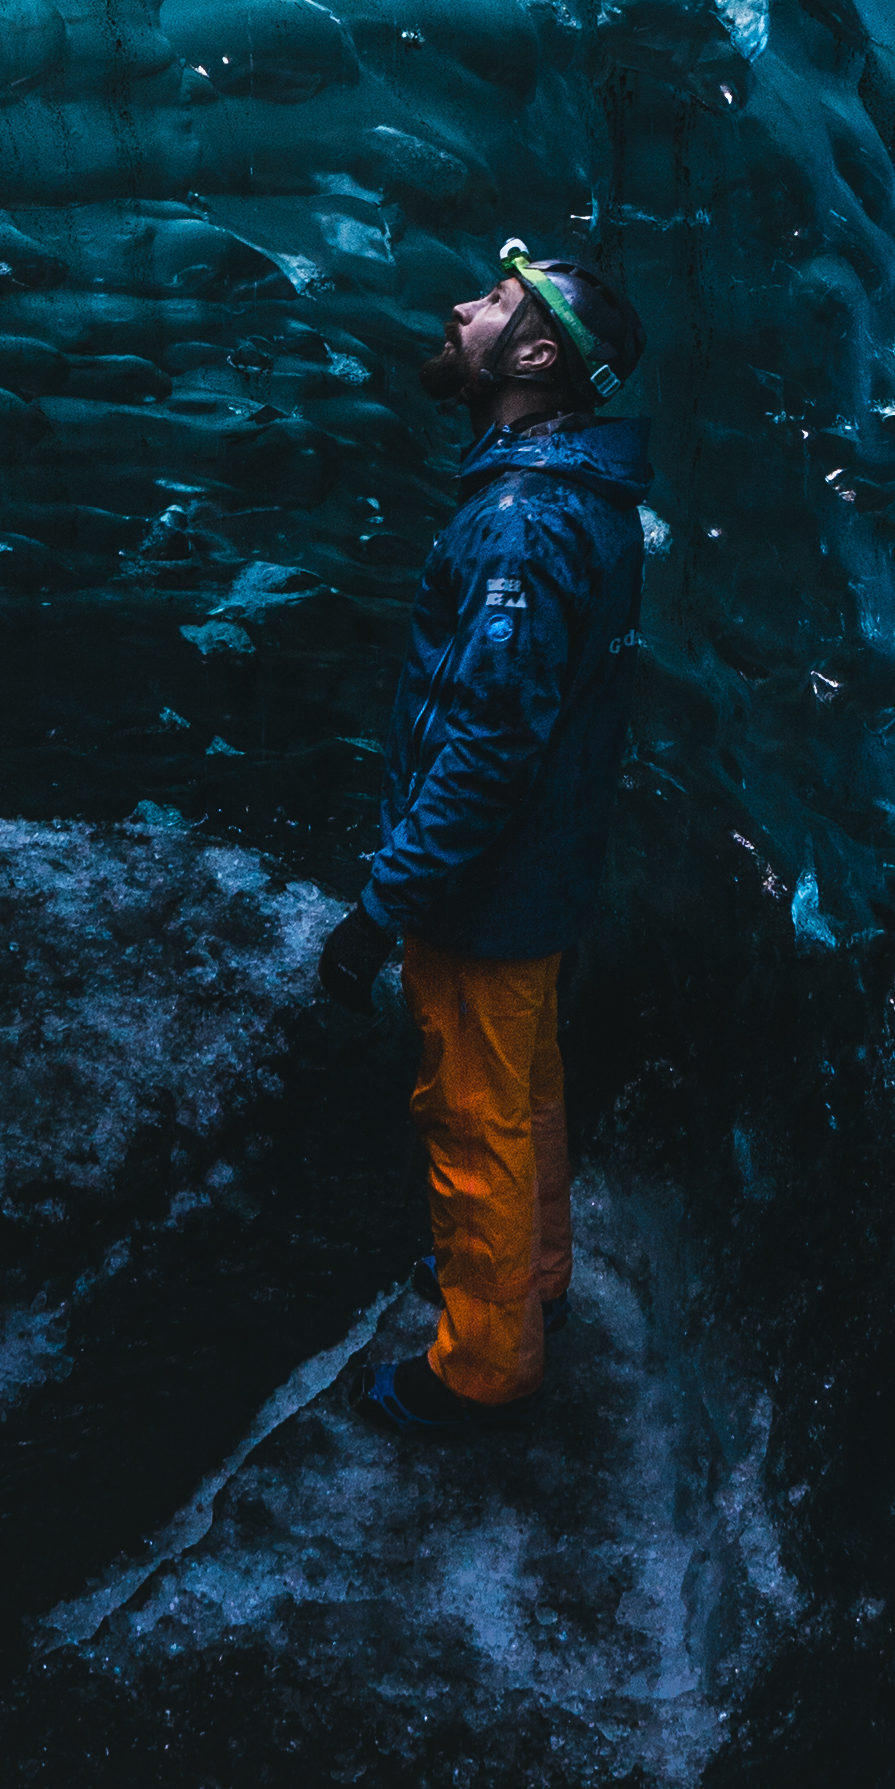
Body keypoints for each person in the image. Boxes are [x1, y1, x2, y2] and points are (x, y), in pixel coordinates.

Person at [317, 240, 651, 1436]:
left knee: (472, 1117)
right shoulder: (575, 498)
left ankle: (482, 1361)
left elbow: (485, 748)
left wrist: (381, 906)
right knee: (528, 1090)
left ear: (538, 352)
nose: (464, 306)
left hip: (485, 890)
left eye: (497, 299)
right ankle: (529, 1277)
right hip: (537, 881)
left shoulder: (522, 522)